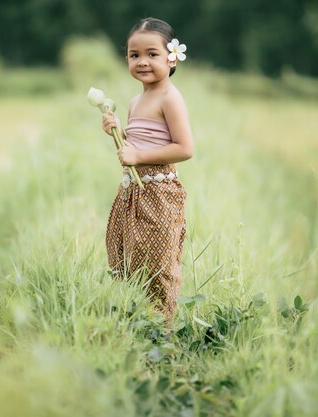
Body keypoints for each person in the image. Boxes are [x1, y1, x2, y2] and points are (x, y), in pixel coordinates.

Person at [102, 17, 194, 324]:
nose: (142, 62)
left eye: (152, 54)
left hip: (158, 193)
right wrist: (118, 132)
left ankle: (162, 328)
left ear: (171, 57)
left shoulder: (170, 97)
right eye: (134, 55)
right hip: (132, 192)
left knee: (157, 262)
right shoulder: (135, 101)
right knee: (129, 257)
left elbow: (184, 148)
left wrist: (138, 154)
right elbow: (137, 145)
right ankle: (134, 320)